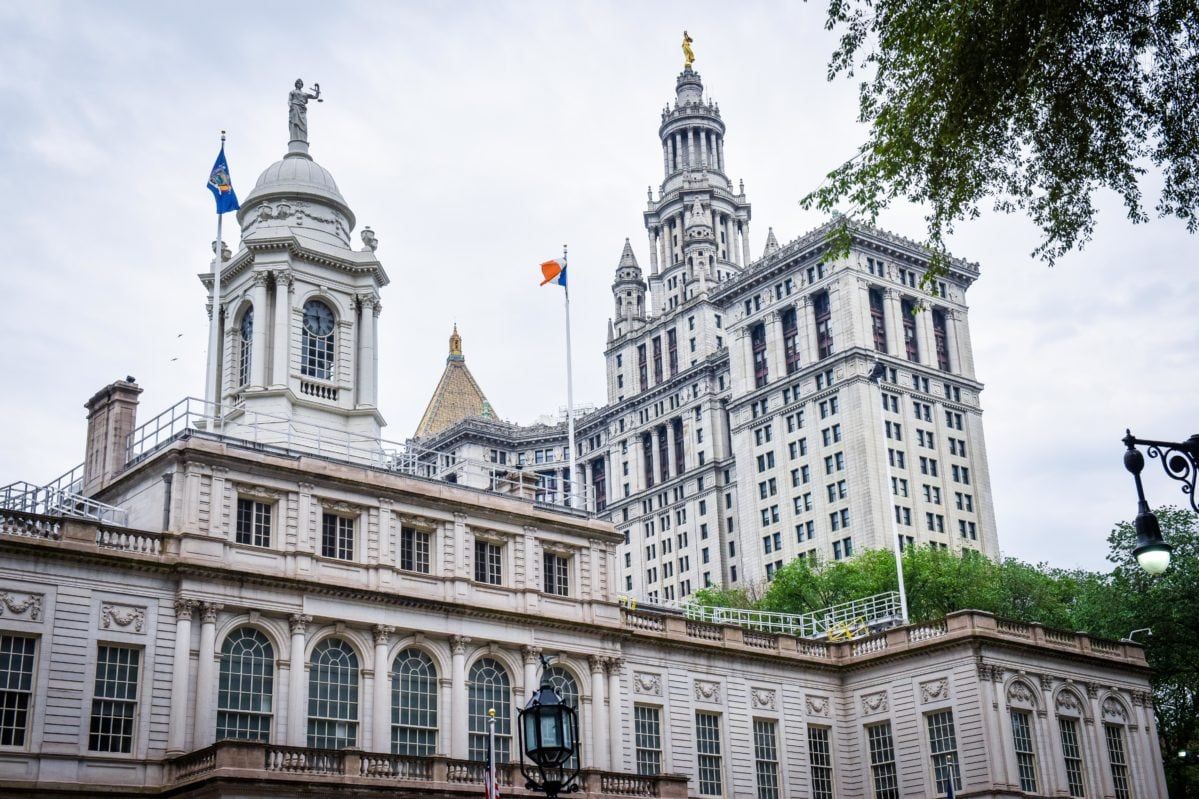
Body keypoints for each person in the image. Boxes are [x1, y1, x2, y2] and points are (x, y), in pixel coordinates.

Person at [288, 79, 321, 144]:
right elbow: (289, 100)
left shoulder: (304, 94)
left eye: (301, 83)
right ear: (296, 84)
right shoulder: (292, 92)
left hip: (302, 110)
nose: (299, 84)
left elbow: (315, 97)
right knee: (295, 124)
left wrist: (318, 87)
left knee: (304, 125)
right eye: (298, 83)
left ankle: (303, 140)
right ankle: (294, 139)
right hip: (295, 107)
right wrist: (290, 106)